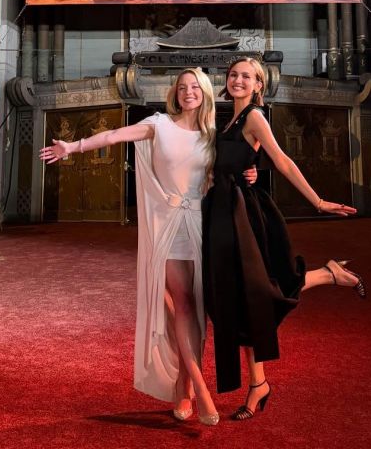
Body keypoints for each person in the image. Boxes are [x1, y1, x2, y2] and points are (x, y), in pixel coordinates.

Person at [39, 69, 236, 426]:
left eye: (195, 87)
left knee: (195, 310)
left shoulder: (212, 135)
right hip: (168, 226)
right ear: (175, 94)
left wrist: (249, 173)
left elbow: (228, 172)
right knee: (184, 303)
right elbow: (114, 135)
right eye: (182, 87)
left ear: (206, 92)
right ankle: (200, 387)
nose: (188, 92)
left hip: (202, 226)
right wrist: (73, 147)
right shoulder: (158, 125)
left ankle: (182, 383)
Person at [203, 57, 359, 419]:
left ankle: (325, 275)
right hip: (222, 214)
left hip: (242, 215)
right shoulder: (229, 118)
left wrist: (318, 201)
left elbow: (283, 160)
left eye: (247, 76)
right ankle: (258, 383)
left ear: (259, 85)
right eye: (233, 74)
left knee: (255, 292)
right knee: (240, 298)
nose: (238, 80)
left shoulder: (254, 117)